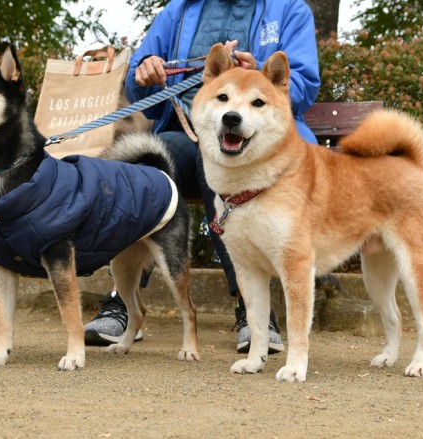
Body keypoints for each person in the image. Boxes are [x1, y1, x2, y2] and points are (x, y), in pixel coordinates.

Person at [84, 0, 320, 353]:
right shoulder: (176, 11)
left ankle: (252, 311)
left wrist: (261, 81)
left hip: (261, 146)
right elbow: (139, 91)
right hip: (184, 128)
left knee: (214, 160)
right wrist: (144, 72)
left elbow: (303, 86)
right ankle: (123, 301)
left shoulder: (288, 9)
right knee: (140, 171)